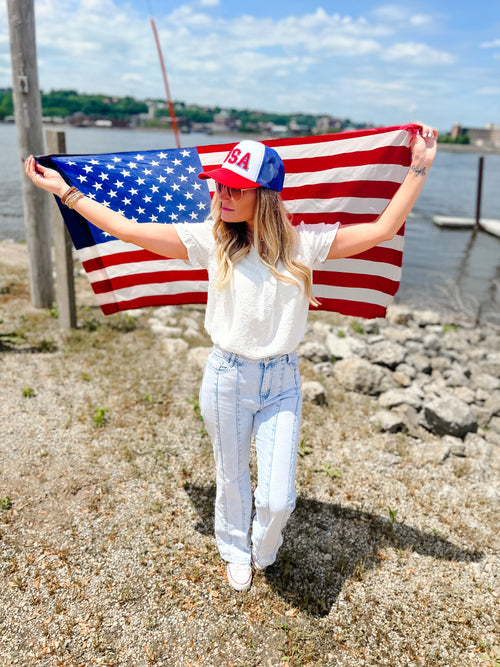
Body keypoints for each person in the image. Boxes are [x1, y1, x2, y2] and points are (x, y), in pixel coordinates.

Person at [25, 124, 437, 591]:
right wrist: (66, 192)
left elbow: (381, 229)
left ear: (262, 195)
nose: (220, 191)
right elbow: (130, 230)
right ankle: (234, 550)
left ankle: (264, 545)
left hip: (282, 379)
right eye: (219, 182)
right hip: (227, 376)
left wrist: (419, 165)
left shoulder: (303, 245)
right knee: (231, 476)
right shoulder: (213, 239)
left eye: (233, 186)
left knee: (278, 497)